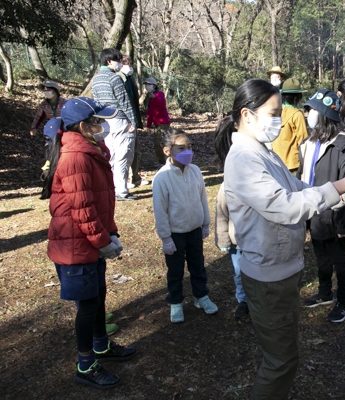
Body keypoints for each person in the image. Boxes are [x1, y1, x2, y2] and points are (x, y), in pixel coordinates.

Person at [215, 78, 345, 400]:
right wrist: (339, 187)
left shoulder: (261, 150)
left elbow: (296, 187)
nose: (280, 120)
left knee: (284, 355)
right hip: (268, 276)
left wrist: (337, 193)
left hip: (283, 269)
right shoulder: (244, 158)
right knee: (281, 362)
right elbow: (284, 206)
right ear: (247, 115)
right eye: (274, 113)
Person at [42, 97, 136, 389]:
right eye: (97, 122)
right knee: (88, 303)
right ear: (83, 126)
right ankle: (86, 364)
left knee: (99, 295)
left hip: (89, 241)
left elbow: (102, 201)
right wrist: (102, 240)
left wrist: (111, 232)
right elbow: (82, 209)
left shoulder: (91, 149)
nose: (102, 126)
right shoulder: (76, 157)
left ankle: (101, 345)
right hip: (75, 246)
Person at [299, 89, 345, 322]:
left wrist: (343, 220)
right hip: (313, 212)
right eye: (308, 110)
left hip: (335, 216)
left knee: (339, 260)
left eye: (313, 111)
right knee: (320, 257)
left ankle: (344, 303)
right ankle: (325, 293)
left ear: (325, 115)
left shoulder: (344, 145)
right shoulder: (308, 143)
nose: (309, 115)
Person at [152, 129, 217, 323]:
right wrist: (166, 237)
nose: (187, 151)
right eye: (181, 148)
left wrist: (205, 223)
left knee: (198, 265)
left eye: (189, 147)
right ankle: (176, 302)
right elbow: (160, 211)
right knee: (176, 270)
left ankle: (201, 296)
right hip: (175, 234)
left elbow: (202, 198)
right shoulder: (162, 178)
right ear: (167, 151)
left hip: (194, 230)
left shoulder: (195, 171)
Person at [92, 48, 138, 201]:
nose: (119, 63)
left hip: (106, 121)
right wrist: (134, 121)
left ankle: (111, 187)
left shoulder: (96, 79)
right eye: (117, 60)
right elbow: (124, 102)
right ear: (109, 62)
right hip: (120, 119)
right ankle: (122, 190)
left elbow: (96, 102)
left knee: (110, 155)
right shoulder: (114, 78)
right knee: (124, 154)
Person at [215, 183, 248, 319]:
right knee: (239, 273)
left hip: (257, 241)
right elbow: (221, 212)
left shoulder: (259, 181)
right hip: (237, 242)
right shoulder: (227, 186)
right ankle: (243, 301)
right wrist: (222, 238)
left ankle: (261, 299)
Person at [117, 55, 149, 188]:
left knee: (134, 150)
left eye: (131, 64)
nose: (130, 67)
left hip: (133, 120)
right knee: (124, 152)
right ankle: (123, 181)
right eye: (127, 64)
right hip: (124, 121)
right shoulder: (118, 79)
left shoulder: (130, 79)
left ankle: (135, 178)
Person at [271, 78, 308, 172]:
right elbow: (303, 140)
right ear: (297, 99)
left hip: (276, 162)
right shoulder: (297, 114)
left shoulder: (275, 112)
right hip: (292, 164)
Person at [145, 77, 172, 165]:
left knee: (162, 141)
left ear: (154, 86)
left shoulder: (159, 94)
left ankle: (166, 161)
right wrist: (148, 125)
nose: (147, 86)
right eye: (146, 85)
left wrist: (155, 98)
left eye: (149, 85)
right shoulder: (149, 97)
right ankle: (162, 161)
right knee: (157, 143)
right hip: (156, 123)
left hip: (163, 122)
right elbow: (150, 112)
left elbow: (161, 105)